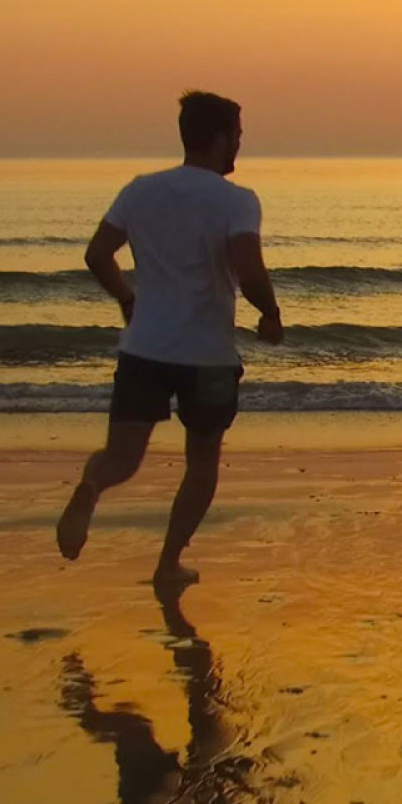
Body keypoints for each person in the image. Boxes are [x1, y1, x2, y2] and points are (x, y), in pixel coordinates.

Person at [56, 91, 283, 588]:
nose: (238, 147)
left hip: (145, 347)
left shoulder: (140, 191)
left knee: (121, 457)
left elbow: (97, 255)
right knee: (202, 463)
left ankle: (91, 487)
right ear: (220, 138)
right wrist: (270, 313)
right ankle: (167, 563)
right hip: (207, 356)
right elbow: (248, 269)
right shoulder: (237, 201)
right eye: (237, 137)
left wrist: (127, 297)